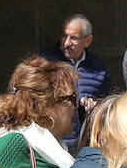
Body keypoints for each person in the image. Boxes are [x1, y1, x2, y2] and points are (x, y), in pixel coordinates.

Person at [41, 14, 111, 149]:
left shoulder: (99, 67)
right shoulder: (46, 62)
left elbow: (107, 104)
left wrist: (94, 106)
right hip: (52, 141)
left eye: (73, 38)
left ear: (87, 41)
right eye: (64, 36)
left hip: (86, 144)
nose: (66, 43)